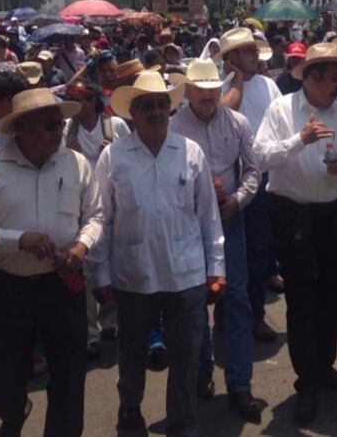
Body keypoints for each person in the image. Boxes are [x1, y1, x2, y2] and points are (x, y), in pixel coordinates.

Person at [0, 89, 105, 436]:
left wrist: (81, 248)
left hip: (62, 285)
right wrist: (17, 239)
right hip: (9, 287)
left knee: (69, 375)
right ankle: (14, 407)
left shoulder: (76, 163)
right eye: (50, 125)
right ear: (23, 127)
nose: (59, 131)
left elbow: (96, 215)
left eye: (60, 124)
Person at [91, 70, 225, 434]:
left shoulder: (190, 152)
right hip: (132, 273)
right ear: (131, 113)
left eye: (160, 105)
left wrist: (217, 267)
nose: (154, 112)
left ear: (170, 109)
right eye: (145, 106)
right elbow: (101, 219)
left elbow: (208, 217)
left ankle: (183, 420)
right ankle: (129, 414)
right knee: (131, 355)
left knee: (185, 354)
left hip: (186, 274)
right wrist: (100, 275)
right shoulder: (114, 157)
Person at [252, 43, 337, 423]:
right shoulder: (281, 110)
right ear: (313, 77)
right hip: (294, 216)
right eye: (334, 79)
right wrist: (299, 140)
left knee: (333, 298)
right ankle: (307, 381)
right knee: (302, 302)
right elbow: (261, 157)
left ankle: (325, 366)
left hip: (332, 214)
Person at [168, 59, 264, 422]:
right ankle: (203, 370)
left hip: (229, 219)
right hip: (190, 223)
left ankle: (240, 384)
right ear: (188, 91)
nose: (208, 95)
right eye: (201, 89)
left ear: (220, 89)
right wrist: (201, 194)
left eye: (213, 89)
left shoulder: (237, 122)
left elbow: (254, 172)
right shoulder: (175, 127)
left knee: (237, 299)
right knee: (196, 301)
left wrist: (237, 200)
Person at [217, 27, 283, 341]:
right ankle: (223, 317)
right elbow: (225, 115)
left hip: (263, 177)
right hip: (228, 181)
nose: (255, 56)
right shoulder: (218, 86)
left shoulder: (270, 85)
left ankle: (254, 314)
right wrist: (237, 80)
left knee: (259, 250)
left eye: (255, 51)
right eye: (246, 51)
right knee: (226, 255)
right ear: (230, 58)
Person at [62, 82, 130, 359]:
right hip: (82, 206)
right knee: (86, 269)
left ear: (92, 102)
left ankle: (111, 320)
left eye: (77, 99)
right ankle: (90, 332)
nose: (73, 105)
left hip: (113, 203)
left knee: (115, 262)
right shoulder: (67, 129)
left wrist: (111, 151)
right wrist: (69, 152)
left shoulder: (115, 126)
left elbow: (129, 156)